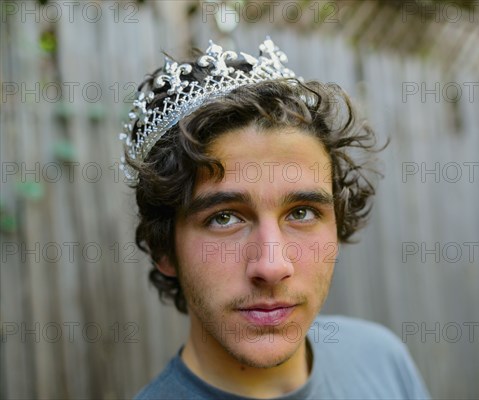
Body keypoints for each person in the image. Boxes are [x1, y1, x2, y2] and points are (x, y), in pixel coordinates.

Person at [120, 38, 430, 399]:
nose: (271, 266)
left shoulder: (381, 360)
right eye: (224, 218)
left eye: (301, 212)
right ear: (164, 249)